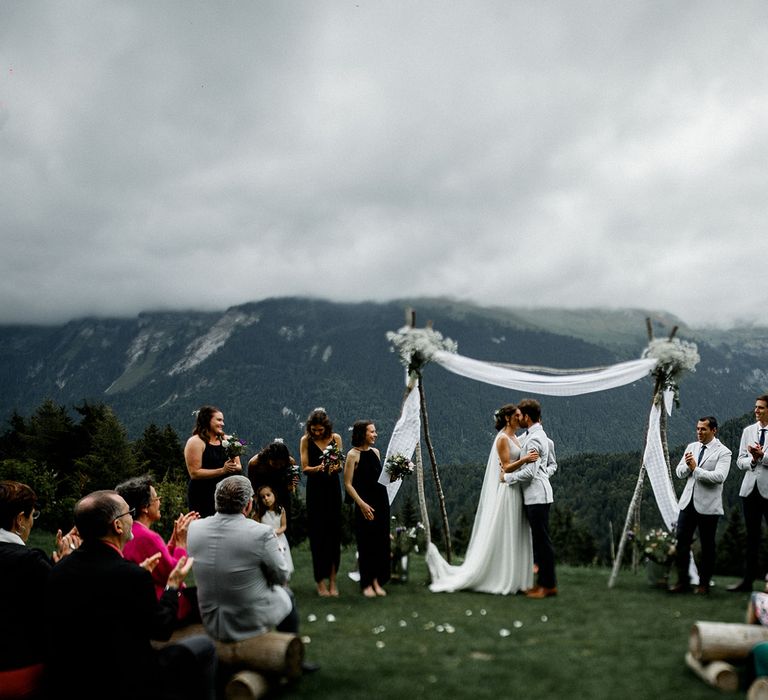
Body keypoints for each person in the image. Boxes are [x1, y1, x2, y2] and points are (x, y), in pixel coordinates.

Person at [43, 489, 217, 700]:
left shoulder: (58, 570)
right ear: (117, 525)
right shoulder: (131, 576)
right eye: (128, 513)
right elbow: (161, 630)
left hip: (72, 679)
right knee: (205, 646)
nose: (131, 518)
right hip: (126, 680)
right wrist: (172, 586)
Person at [187, 476, 318, 673]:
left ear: (217, 501)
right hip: (244, 620)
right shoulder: (261, 533)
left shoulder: (195, 528)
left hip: (210, 618)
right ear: (248, 504)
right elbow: (281, 576)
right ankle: (293, 658)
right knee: (287, 595)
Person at [426, 404, 535, 595]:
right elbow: (507, 467)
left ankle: (516, 578)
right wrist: (526, 460)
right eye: (517, 415)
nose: (521, 418)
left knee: (516, 531)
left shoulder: (515, 438)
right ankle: (502, 576)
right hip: (507, 491)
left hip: (516, 488)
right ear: (508, 418)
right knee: (507, 530)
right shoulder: (502, 439)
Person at [0, 481, 79, 694]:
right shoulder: (29, 561)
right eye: (32, 516)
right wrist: (67, 562)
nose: (32, 522)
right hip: (20, 670)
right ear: (19, 520)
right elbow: (62, 603)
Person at [116, 474, 201, 625]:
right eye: (156, 499)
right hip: (164, 606)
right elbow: (174, 573)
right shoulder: (148, 537)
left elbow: (159, 561)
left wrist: (173, 540)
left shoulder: (130, 532)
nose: (159, 502)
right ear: (145, 508)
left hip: (142, 603)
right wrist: (182, 543)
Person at [668, 416, 732, 595]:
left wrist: (696, 469)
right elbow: (679, 472)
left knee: (707, 546)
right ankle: (683, 582)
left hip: (708, 507)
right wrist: (688, 468)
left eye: (703, 429)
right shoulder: (692, 447)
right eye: (697, 429)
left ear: (713, 430)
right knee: (682, 541)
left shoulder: (724, 452)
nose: (699, 432)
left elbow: (719, 477)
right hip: (687, 503)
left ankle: (703, 584)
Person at [504, 398, 557, 598]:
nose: (519, 419)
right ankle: (542, 583)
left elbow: (530, 473)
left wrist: (508, 477)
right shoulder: (533, 435)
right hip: (534, 496)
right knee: (538, 540)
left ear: (527, 416)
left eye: (520, 416)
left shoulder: (535, 439)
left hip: (537, 496)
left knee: (542, 542)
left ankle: (547, 585)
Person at [344, 420, 391, 598]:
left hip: (381, 502)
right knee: (367, 544)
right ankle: (366, 583)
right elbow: (348, 484)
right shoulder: (352, 455)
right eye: (372, 431)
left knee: (381, 543)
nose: (375, 434)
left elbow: (379, 479)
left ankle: (377, 581)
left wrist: (393, 476)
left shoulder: (376, 452)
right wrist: (361, 504)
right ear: (363, 434)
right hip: (364, 504)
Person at [299, 407, 343, 597]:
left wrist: (334, 468)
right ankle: (320, 583)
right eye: (314, 430)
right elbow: (305, 468)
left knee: (334, 536)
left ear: (326, 426)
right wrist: (320, 468)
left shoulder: (336, 438)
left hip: (332, 489)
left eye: (320, 429)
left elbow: (339, 464)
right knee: (318, 538)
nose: (317, 433)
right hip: (315, 491)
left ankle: (333, 581)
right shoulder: (305, 440)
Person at [728, 395, 768, 593]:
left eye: (760, 408)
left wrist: (763, 456)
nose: (756, 411)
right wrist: (752, 461)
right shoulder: (748, 431)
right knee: (751, 537)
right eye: (755, 407)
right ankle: (747, 581)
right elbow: (739, 461)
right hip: (750, 490)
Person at [184, 405, 242, 517]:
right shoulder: (196, 442)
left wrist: (233, 468)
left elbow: (239, 466)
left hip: (226, 494)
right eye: (219, 420)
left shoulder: (229, 440)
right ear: (207, 420)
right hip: (202, 495)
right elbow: (194, 473)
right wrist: (223, 470)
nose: (222, 424)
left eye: (223, 420)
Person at [247, 439, 299, 535]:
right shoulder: (255, 463)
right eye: (275, 464)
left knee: (284, 528)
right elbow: (252, 487)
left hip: (283, 498)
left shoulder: (290, 462)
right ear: (268, 458)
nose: (278, 467)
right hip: (263, 498)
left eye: (281, 464)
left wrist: (292, 484)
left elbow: (291, 486)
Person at [254, 483, 294, 578]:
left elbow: (284, 526)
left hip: (280, 539)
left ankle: (284, 582)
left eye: (268, 495)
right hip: (266, 540)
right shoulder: (260, 514)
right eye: (263, 497)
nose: (266, 499)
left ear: (274, 495)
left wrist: (276, 532)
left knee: (282, 559)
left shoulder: (281, 510)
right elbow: (257, 527)